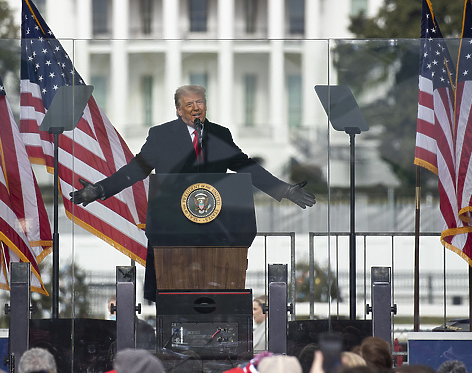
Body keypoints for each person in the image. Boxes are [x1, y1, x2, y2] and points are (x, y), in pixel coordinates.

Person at [71, 85, 316, 300]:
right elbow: (137, 170)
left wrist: (284, 189)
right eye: (189, 104)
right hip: (172, 232)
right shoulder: (161, 136)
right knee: (172, 299)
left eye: (200, 102)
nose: (196, 108)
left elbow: (245, 166)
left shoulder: (220, 134)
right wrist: (100, 189)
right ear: (178, 110)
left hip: (217, 233)